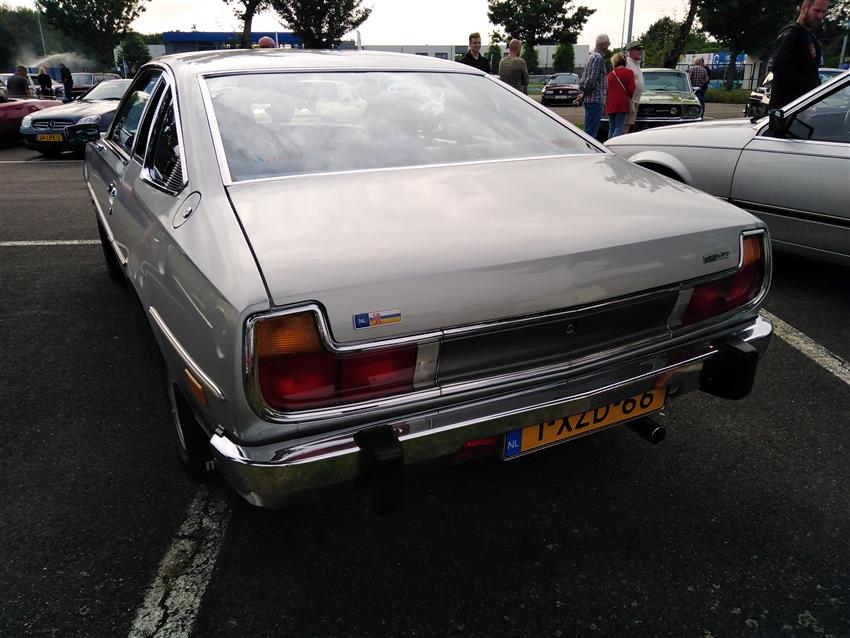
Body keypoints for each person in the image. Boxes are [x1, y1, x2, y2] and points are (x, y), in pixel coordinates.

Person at [771, 0, 829, 110]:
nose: (820, 16)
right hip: (787, 110)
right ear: (804, 9)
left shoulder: (810, 38)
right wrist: (808, 86)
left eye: (824, 12)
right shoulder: (790, 35)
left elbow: (812, 72)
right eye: (816, 10)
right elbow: (779, 68)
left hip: (803, 107)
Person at [577, 34, 610, 139]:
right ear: (604, 44)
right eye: (608, 44)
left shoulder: (592, 56)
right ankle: (587, 148)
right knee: (591, 133)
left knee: (589, 130)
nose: (608, 47)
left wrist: (583, 96)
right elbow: (591, 81)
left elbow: (587, 79)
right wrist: (584, 95)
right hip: (595, 99)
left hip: (591, 99)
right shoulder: (598, 58)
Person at [605, 53, 635, 139]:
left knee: (612, 127)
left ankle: (608, 144)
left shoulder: (610, 75)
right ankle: (613, 145)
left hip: (610, 104)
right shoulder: (629, 73)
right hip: (622, 104)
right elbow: (632, 89)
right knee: (619, 127)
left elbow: (606, 90)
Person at [623, 41, 644, 133]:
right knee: (623, 124)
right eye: (638, 49)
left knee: (628, 124)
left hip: (635, 100)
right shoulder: (627, 63)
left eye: (641, 49)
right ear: (630, 51)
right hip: (629, 100)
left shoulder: (636, 63)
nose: (640, 51)